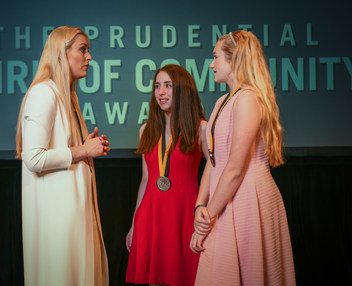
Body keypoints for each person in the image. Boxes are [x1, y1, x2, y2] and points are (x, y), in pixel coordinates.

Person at [190, 30, 296, 285]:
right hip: (224, 200)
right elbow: (213, 163)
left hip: (248, 201)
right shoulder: (221, 102)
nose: (212, 64)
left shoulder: (247, 98)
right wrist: (199, 206)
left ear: (234, 59)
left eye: (216, 57)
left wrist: (209, 216)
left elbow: (236, 169)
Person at [15, 26, 109, 286]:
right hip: (57, 222)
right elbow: (33, 158)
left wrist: (85, 146)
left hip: (74, 217)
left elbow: (63, 150)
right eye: (83, 49)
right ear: (61, 53)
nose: (89, 57)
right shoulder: (43, 92)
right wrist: (82, 150)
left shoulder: (68, 95)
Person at [125, 64, 209, 286]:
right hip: (151, 217)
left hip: (184, 217)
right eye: (157, 86)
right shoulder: (146, 131)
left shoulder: (201, 129)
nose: (161, 92)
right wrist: (134, 223)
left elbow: (215, 170)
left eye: (168, 86)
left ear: (182, 90)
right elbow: (146, 180)